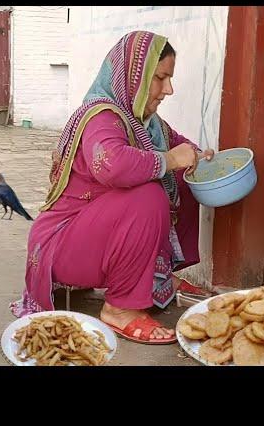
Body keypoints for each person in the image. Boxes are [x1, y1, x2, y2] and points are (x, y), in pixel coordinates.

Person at [11, 31, 214, 345]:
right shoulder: (101, 116)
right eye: (160, 78)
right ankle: (120, 310)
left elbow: (181, 147)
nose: (168, 89)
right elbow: (112, 165)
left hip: (93, 238)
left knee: (185, 174)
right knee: (149, 194)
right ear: (135, 79)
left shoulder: (148, 125)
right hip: (62, 245)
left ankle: (159, 278)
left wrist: (200, 157)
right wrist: (170, 159)